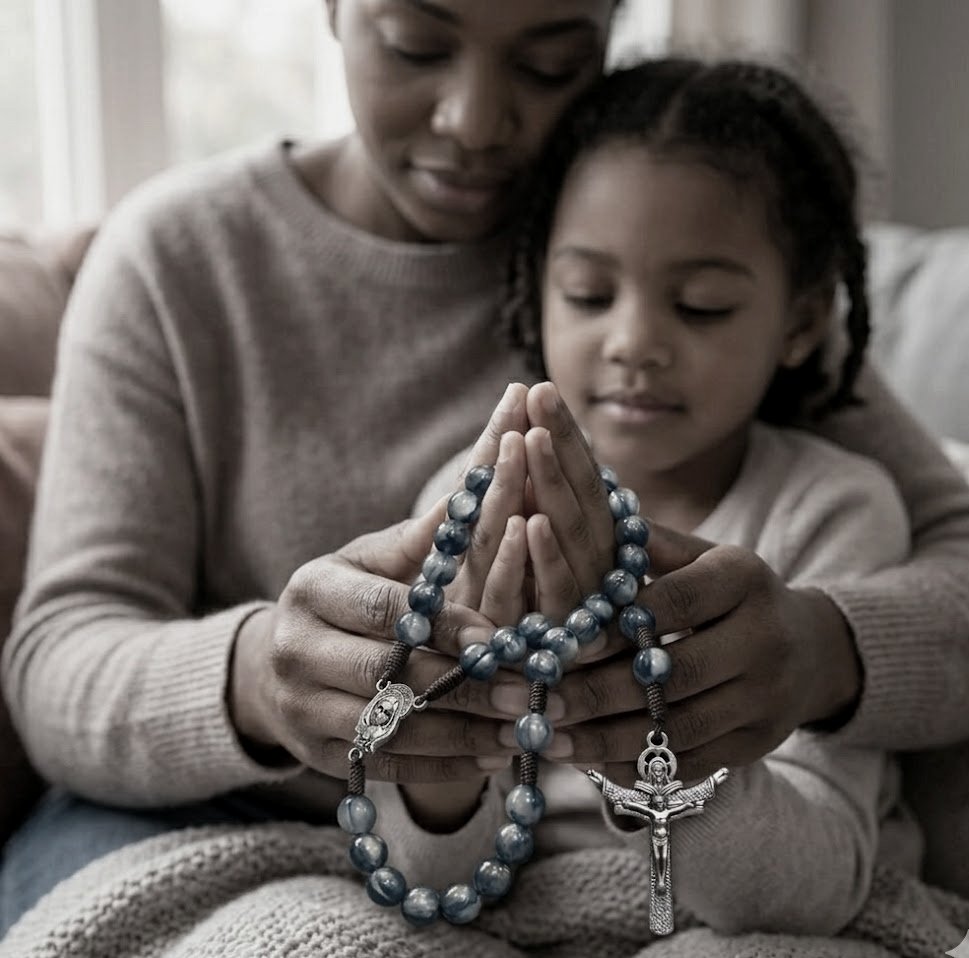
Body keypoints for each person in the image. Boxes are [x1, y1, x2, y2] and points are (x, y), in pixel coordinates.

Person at [1, 0, 968, 941]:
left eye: (550, 62)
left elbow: (944, 555)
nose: (474, 121)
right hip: (224, 824)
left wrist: (819, 650)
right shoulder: (181, 257)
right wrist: (261, 678)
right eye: (416, 43)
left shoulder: (663, 212)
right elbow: (59, 656)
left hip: (622, 869)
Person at [406, 56, 920, 934]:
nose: (634, 341)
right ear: (539, 294)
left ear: (798, 322)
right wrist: (437, 751)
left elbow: (809, 892)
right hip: (511, 917)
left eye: (702, 305)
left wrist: (629, 681)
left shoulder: (832, 512)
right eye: (589, 294)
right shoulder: (474, 497)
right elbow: (432, 878)